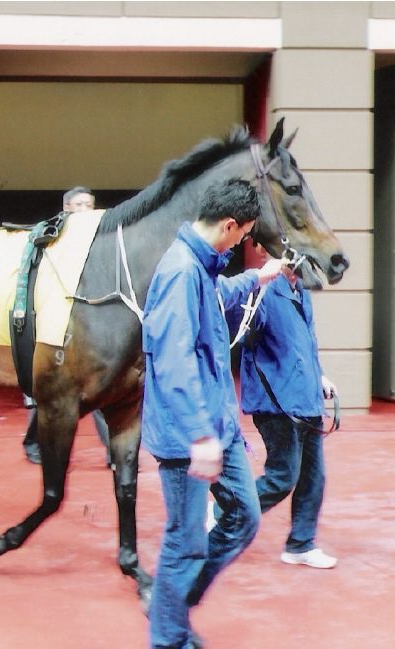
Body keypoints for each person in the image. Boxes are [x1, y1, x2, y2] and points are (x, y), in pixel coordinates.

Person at [142, 178, 289, 649]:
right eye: (244, 234)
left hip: (215, 424)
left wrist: (256, 277)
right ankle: (169, 636)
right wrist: (200, 436)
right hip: (191, 434)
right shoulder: (180, 272)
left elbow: (214, 300)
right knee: (184, 542)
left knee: (245, 516)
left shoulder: (200, 268)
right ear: (229, 225)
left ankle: (177, 604)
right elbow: (173, 360)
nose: (243, 241)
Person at [221, 245, 338, 569]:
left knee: (313, 477)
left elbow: (307, 343)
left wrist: (321, 376)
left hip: (306, 398)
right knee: (283, 475)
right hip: (276, 402)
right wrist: (256, 282)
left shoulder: (300, 292)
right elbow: (240, 329)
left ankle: (301, 544)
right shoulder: (263, 292)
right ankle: (222, 512)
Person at [22, 186, 112, 465]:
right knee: (46, 384)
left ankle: (113, 452)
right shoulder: (50, 237)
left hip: (88, 322)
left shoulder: (102, 239)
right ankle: (33, 442)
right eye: (80, 204)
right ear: (67, 209)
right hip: (54, 319)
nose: (87, 210)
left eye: (90, 204)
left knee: (99, 387)